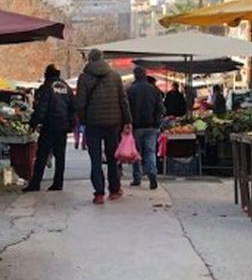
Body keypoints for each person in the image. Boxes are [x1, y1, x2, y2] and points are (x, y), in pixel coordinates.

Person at [75, 49, 131, 204]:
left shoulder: (84, 78)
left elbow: (80, 103)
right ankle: (114, 190)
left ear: (89, 60)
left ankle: (99, 194)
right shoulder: (115, 76)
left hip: (93, 124)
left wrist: (84, 121)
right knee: (113, 157)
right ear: (102, 58)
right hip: (114, 123)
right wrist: (127, 121)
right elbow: (123, 101)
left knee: (95, 159)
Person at [24, 64, 74, 192]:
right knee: (60, 156)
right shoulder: (66, 87)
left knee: (42, 155)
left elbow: (42, 108)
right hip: (62, 126)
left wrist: (33, 123)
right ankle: (58, 183)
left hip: (50, 125)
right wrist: (71, 125)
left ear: (47, 74)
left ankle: (35, 183)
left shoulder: (46, 87)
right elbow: (72, 108)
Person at [127, 66, 164, 189]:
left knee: (136, 152)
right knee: (150, 151)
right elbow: (160, 108)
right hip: (152, 126)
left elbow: (127, 109)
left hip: (136, 126)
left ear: (135, 75)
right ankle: (152, 173)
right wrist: (157, 122)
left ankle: (137, 177)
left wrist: (128, 123)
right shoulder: (154, 89)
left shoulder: (130, 90)